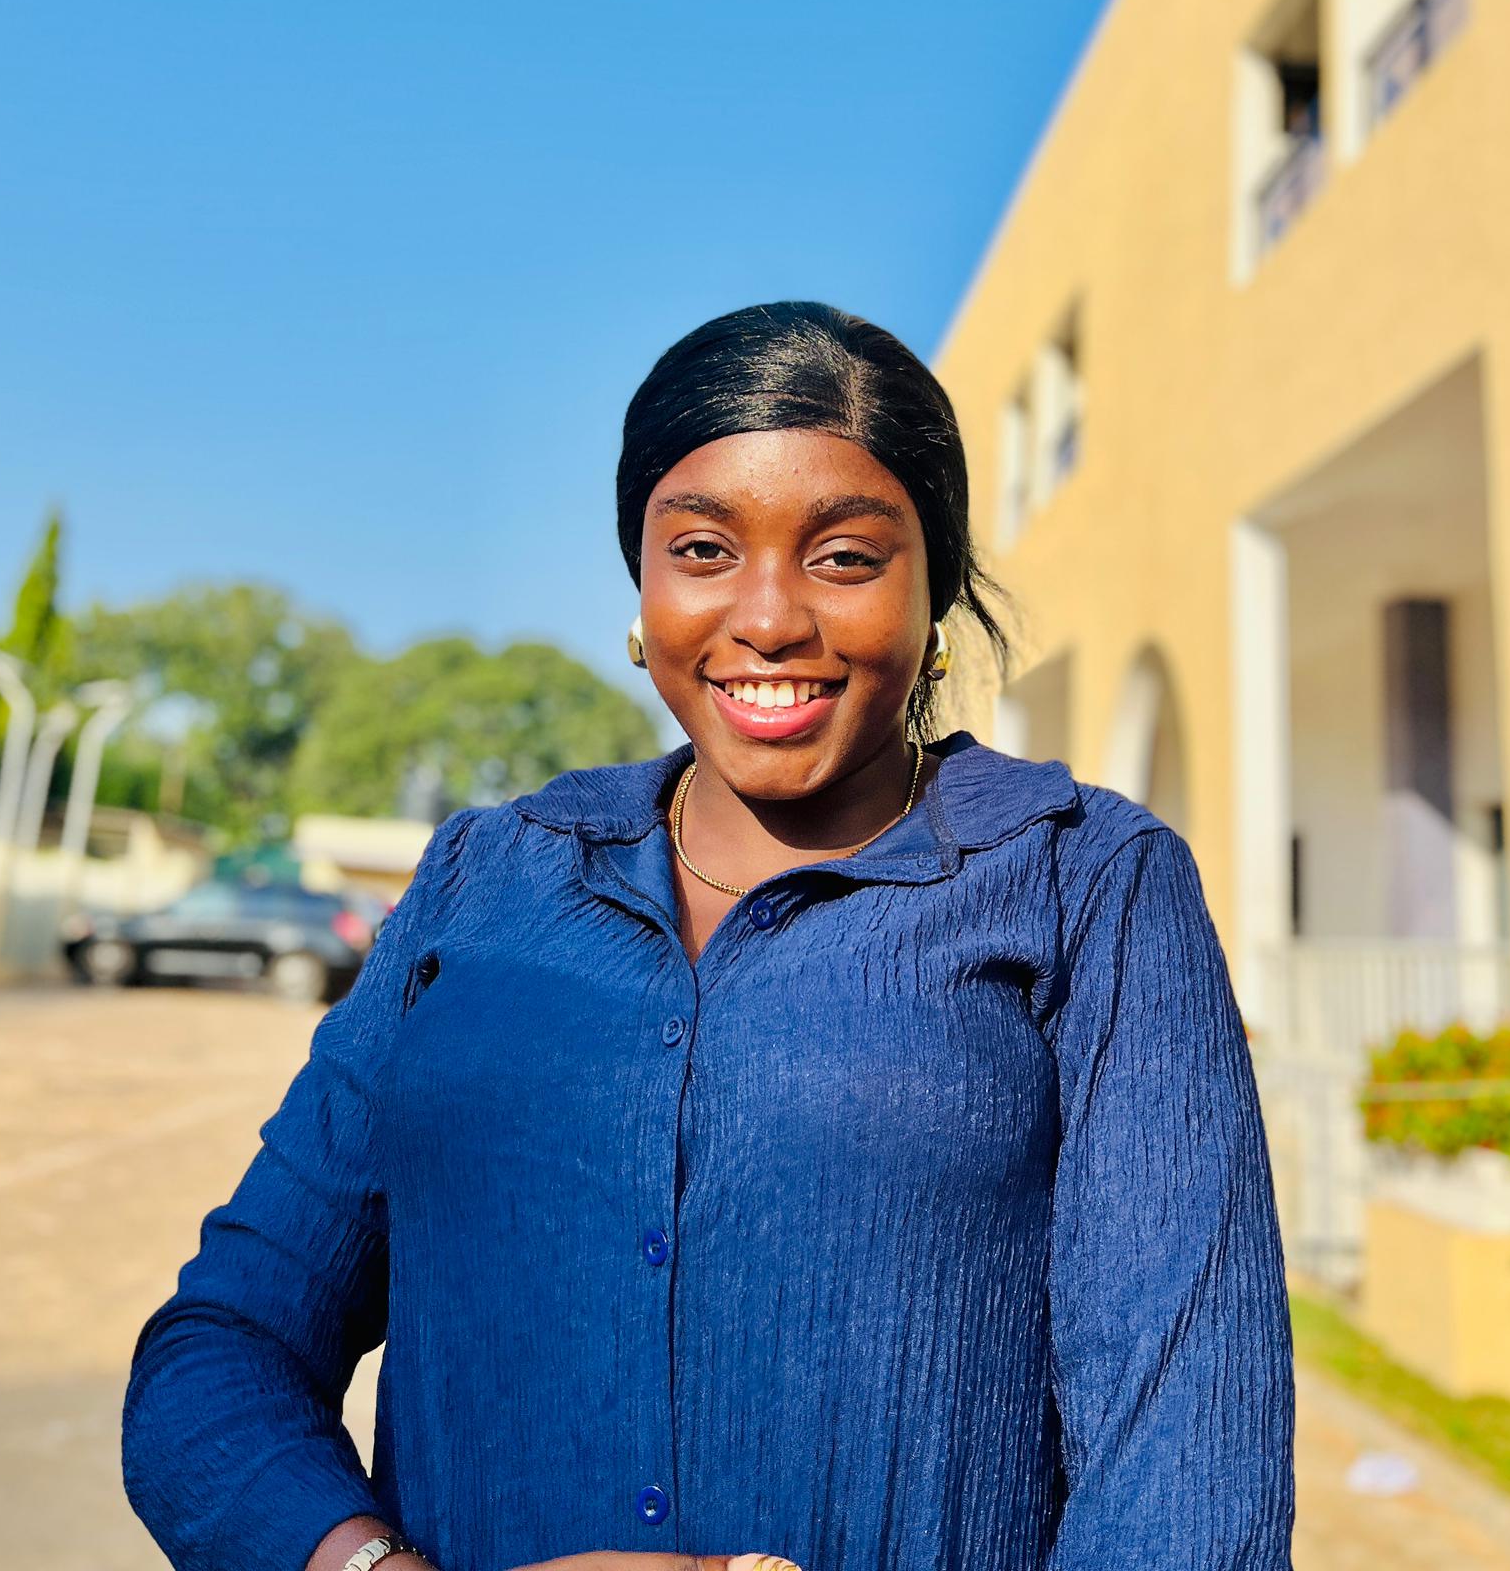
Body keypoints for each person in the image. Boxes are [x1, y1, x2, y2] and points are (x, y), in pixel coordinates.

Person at [122, 301, 1295, 1571]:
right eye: (703, 549)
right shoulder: (485, 881)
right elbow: (222, 1349)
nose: (771, 616)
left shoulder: (1088, 884)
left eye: (847, 556)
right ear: (643, 579)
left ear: (933, 593)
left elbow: (1189, 1495)